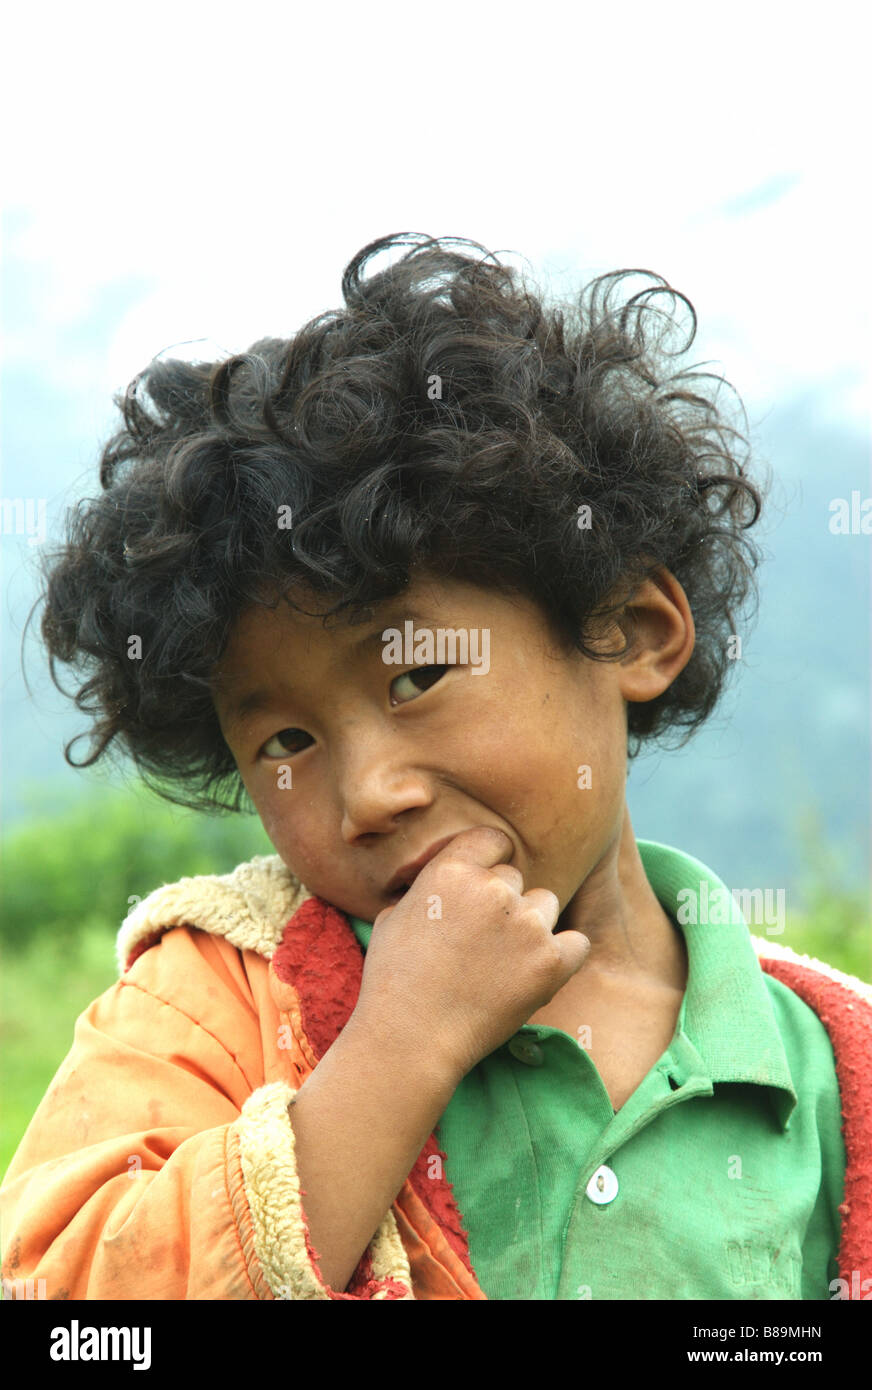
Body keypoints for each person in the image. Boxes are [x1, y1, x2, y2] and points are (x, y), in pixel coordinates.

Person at [2, 233, 869, 1301]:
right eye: (284, 741)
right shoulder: (218, 1000)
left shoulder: (831, 1066)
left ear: (628, 631)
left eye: (414, 677)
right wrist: (395, 1052)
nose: (369, 792)